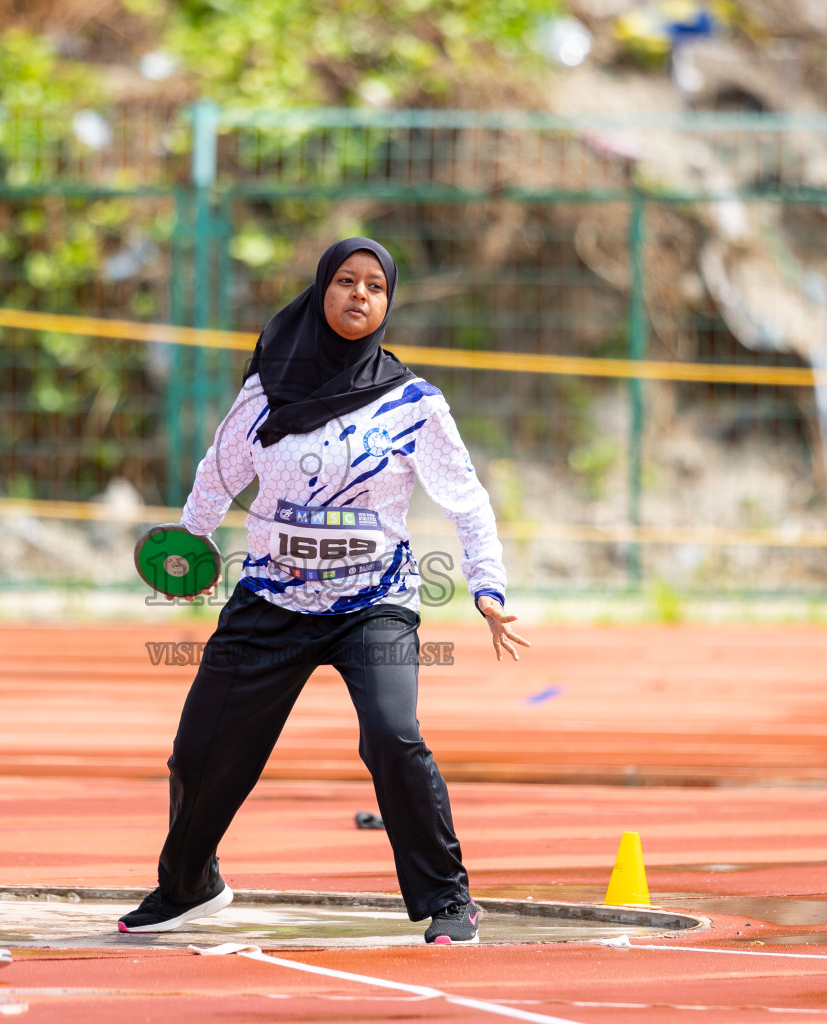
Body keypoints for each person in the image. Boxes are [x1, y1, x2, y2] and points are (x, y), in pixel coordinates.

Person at [119, 237, 529, 944]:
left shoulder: (414, 404)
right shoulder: (266, 390)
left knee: (394, 736)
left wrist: (486, 584)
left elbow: (466, 499)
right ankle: (188, 887)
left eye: (375, 286)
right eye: (345, 281)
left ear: (387, 304)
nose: (359, 295)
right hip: (271, 600)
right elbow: (219, 475)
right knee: (199, 751)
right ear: (321, 290)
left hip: (376, 602)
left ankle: (449, 900)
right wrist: (191, 543)